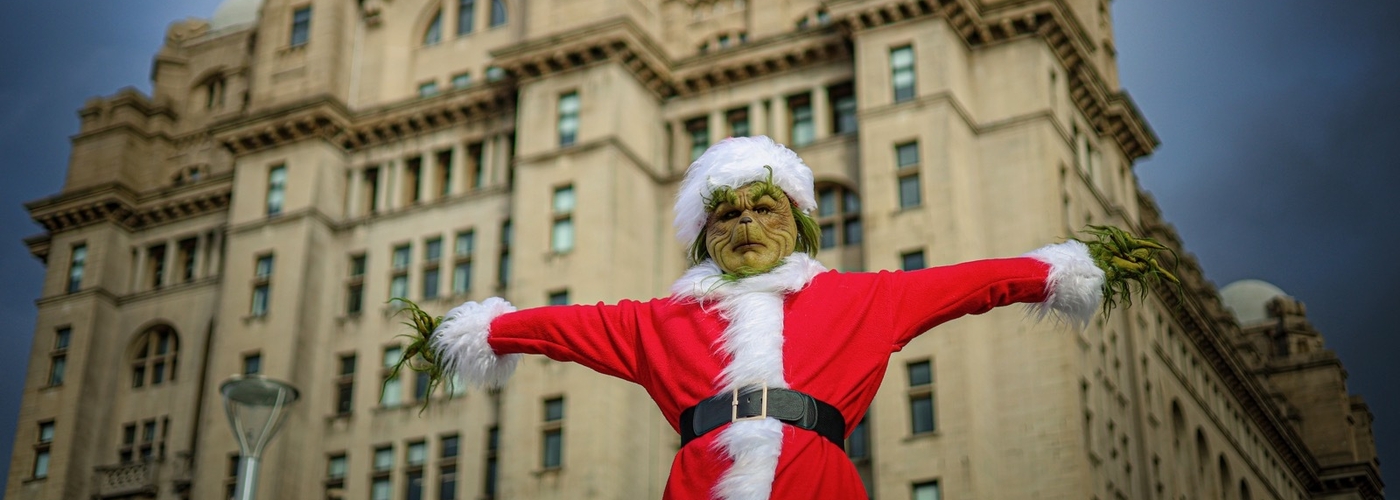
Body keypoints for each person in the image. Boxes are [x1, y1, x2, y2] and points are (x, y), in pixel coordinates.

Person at [420, 136, 1171, 500]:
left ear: (800, 223)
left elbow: (972, 284)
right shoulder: (657, 322)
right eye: (728, 215)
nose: (746, 224)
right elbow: (559, 328)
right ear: (705, 234)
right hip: (703, 478)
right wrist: (481, 333)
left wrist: (1057, 273)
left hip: (818, 477)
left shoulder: (861, 300)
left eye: (764, 208)